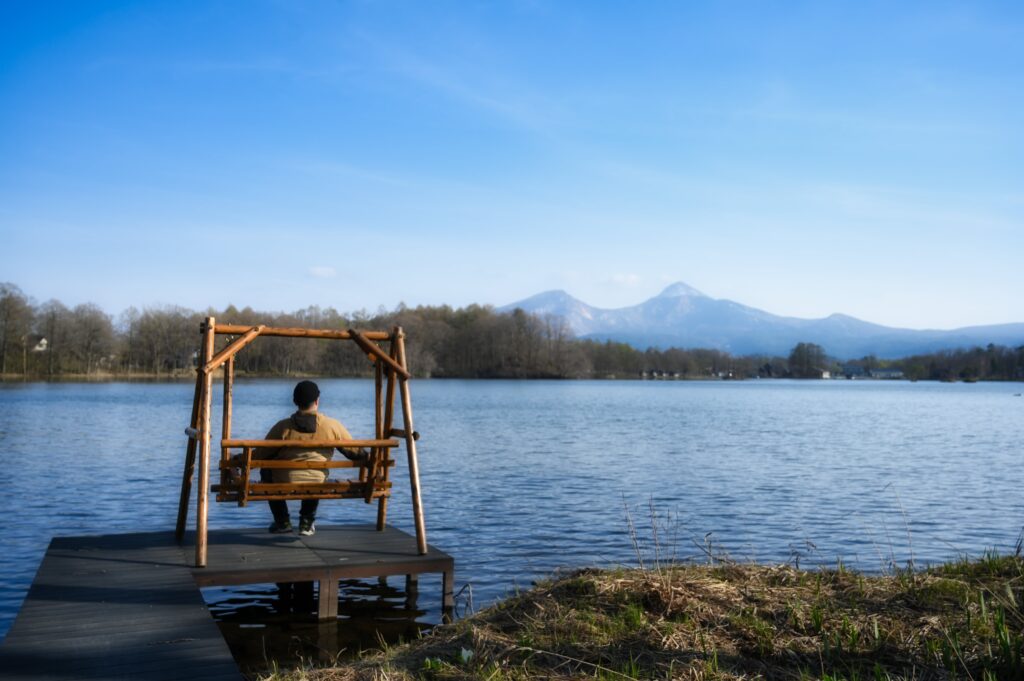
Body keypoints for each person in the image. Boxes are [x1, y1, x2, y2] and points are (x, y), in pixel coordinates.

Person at [253, 380, 365, 536]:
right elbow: (355, 452)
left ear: (294, 402)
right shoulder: (331, 426)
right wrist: (372, 459)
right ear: (317, 401)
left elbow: (260, 455)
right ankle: (306, 522)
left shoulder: (283, 427)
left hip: (285, 480)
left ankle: (282, 521)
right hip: (317, 481)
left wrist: (237, 461)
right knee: (315, 476)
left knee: (266, 470)